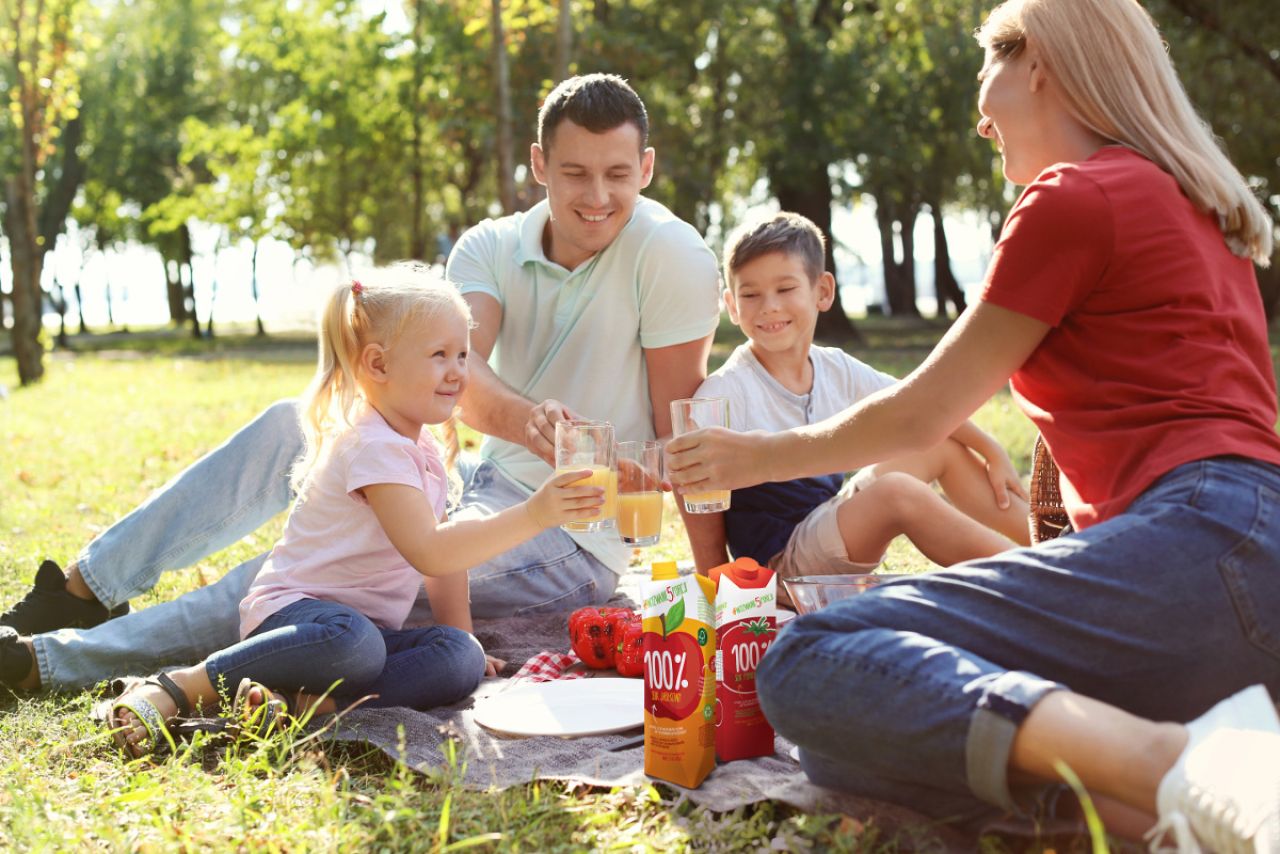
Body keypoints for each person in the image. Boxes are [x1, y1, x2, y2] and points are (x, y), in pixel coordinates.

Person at [666, 0, 1280, 848]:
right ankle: (1189, 807)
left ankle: (1177, 764)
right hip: (1240, 569)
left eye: (985, 70)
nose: (979, 114)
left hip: (1203, 544)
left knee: (812, 661)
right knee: (865, 743)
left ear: (1040, 65)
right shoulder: (1193, 201)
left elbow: (923, 411)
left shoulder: (1075, 195)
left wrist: (753, 454)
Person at [0, 72, 720, 694]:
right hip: (474, 477)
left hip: (571, 531)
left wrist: (716, 585)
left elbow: (682, 427)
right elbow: (460, 376)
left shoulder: (670, 255)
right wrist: (533, 422)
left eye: (617, 175)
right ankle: (82, 590)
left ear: (646, 168)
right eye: (575, 173)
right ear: (539, 163)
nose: (597, 196)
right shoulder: (491, 247)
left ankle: (54, 661)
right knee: (296, 422)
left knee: (306, 579)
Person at [105, 268, 605, 757]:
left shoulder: (421, 446)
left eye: (462, 354)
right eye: (438, 355)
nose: (458, 371)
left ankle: (308, 704)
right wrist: (535, 513)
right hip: (296, 620)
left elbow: (447, 555)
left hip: (366, 633)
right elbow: (430, 551)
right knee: (354, 644)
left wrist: (465, 638)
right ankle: (185, 685)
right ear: (378, 365)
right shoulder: (372, 445)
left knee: (457, 660)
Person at [684, 211, 1030, 586]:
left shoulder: (835, 367)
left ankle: (1057, 546)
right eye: (750, 295)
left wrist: (991, 448)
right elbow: (687, 472)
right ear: (732, 306)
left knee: (939, 444)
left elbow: (916, 404)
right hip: (779, 564)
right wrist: (715, 574)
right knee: (896, 493)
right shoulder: (729, 389)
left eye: (785, 289)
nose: (769, 306)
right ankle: (1037, 576)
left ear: (823, 291)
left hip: (827, 524)